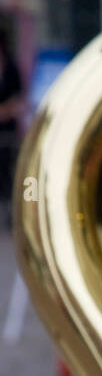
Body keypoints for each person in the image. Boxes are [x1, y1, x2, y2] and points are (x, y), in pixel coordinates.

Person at [0, 29, 23, 229]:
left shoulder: (11, 68)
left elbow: (18, 99)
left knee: (10, 172)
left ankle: (12, 211)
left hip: (8, 131)